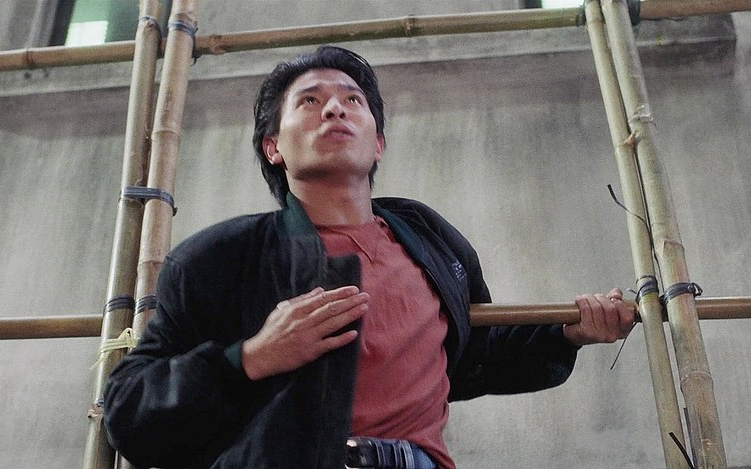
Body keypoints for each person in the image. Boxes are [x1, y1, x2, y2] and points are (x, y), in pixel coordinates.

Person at [103, 45, 635, 469]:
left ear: (377, 143)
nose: (335, 108)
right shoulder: (221, 259)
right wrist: (252, 357)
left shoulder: (429, 239)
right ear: (274, 147)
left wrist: (568, 332)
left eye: (353, 100)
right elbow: (129, 412)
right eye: (309, 101)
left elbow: (472, 360)